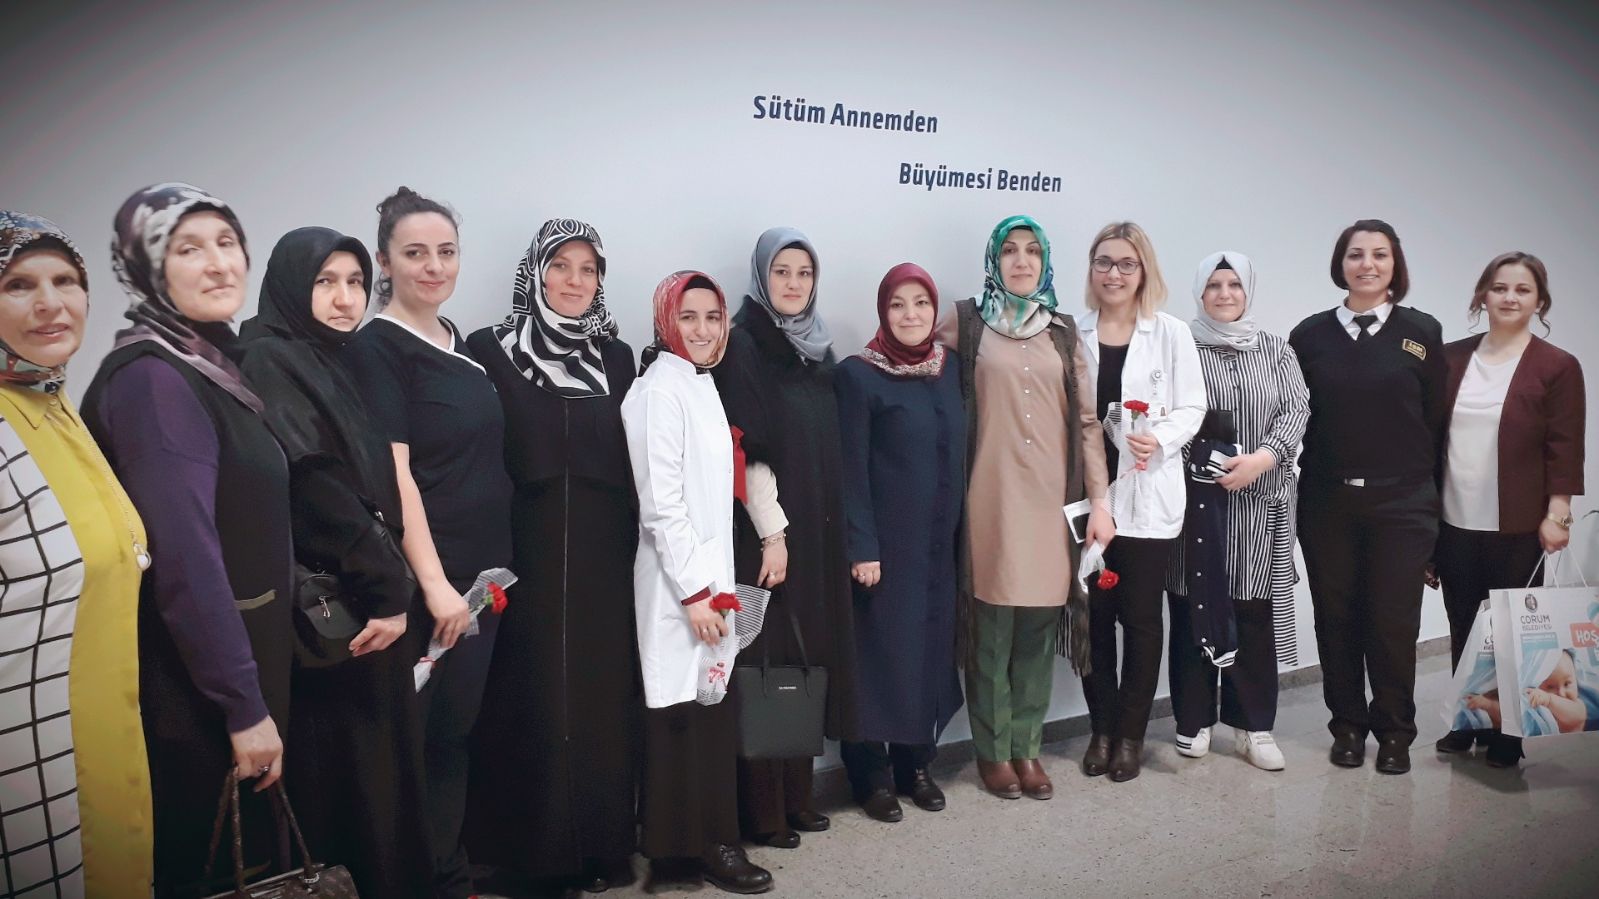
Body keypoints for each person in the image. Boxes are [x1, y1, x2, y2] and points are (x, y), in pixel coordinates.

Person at [80, 183, 293, 896]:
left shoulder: (207, 362)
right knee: (216, 868)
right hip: (198, 693)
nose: (218, 263)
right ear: (146, 267)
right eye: (188, 249)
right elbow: (185, 560)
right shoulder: (153, 381)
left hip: (233, 667)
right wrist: (243, 706)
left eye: (226, 242)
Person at [236, 226, 433, 896]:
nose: (345, 299)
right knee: (354, 784)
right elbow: (317, 485)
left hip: (354, 603)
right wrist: (387, 589)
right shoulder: (271, 357)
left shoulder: (325, 358)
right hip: (337, 614)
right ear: (293, 286)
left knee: (374, 777)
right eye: (325, 282)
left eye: (354, 283)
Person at [342, 186, 513, 899]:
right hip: (431, 585)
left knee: (452, 737)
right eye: (415, 253)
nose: (434, 266)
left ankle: (447, 876)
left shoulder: (460, 346)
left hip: (482, 581)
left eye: (446, 251)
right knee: (413, 745)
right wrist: (437, 586)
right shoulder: (379, 348)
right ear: (385, 262)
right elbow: (397, 476)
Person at [465, 219, 640, 894]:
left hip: (603, 554)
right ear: (535, 273)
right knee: (528, 695)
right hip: (523, 554)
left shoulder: (617, 357)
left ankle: (599, 846)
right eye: (560, 265)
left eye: (587, 269)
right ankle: (527, 856)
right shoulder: (490, 350)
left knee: (598, 699)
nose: (574, 280)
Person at [0, 212, 153, 897]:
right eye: (18, 285)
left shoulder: (56, 406)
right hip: (25, 765)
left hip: (104, 739)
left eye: (65, 281)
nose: (50, 303)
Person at [936, 215, 1113, 800]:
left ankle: (1027, 748)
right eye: (1010, 250)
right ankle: (993, 754)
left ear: (1045, 262)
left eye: (1032, 251)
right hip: (988, 499)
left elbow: (1087, 423)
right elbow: (919, 370)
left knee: (1037, 628)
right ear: (995, 259)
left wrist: (1101, 503)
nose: (1020, 261)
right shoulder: (966, 322)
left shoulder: (1063, 332)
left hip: (1052, 503)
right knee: (989, 629)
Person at [625, 270, 774, 895]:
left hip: (709, 579)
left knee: (707, 710)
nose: (704, 329)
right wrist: (693, 594)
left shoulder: (700, 382)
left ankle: (707, 842)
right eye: (689, 317)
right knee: (680, 717)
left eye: (713, 317)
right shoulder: (657, 391)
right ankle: (688, 851)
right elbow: (662, 507)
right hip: (678, 586)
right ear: (667, 321)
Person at [712, 227, 857, 846]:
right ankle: (762, 810)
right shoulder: (745, 343)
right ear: (761, 277)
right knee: (766, 663)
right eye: (782, 272)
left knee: (806, 657)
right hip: (768, 533)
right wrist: (774, 534)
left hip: (816, 529)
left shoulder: (817, 349)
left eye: (804, 273)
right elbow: (747, 448)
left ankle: (798, 796)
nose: (794, 284)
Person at [1290, 218, 1447, 775]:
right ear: (1341, 264)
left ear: (1394, 265)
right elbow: (1293, 418)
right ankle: (1348, 727)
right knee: (1335, 618)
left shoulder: (1422, 332)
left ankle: (1396, 732)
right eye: (1356, 254)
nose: (1367, 265)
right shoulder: (1309, 336)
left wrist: (1436, 511)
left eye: (1380, 254)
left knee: (1392, 622)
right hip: (1327, 502)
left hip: (1403, 505)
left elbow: (1437, 423)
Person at [1429, 251, 1585, 766]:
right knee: (1464, 625)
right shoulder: (1450, 358)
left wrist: (1558, 514)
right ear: (1483, 295)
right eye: (1499, 288)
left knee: (1512, 632)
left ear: (1539, 300)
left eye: (1522, 289)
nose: (1510, 298)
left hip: (1519, 524)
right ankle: (1466, 719)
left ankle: (1508, 732)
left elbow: (1564, 446)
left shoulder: (1557, 365)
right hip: (1454, 519)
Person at [1164, 251, 1309, 772]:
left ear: (1248, 292)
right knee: (1191, 607)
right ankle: (1194, 719)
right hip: (1195, 504)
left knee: (1251, 612)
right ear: (1199, 292)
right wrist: (1201, 460)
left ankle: (1253, 726)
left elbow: (1297, 408)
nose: (1224, 294)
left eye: (1234, 285)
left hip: (1257, 501)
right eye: (1214, 285)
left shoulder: (1275, 349)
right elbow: (1165, 411)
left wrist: (1263, 458)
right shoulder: (1178, 344)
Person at [834, 263, 965, 822]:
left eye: (921, 303)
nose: (911, 315)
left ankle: (916, 765)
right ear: (883, 311)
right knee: (877, 658)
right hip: (885, 549)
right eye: (898, 304)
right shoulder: (858, 375)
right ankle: (870, 775)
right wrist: (862, 546)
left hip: (938, 547)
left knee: (927, 654)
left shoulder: (949, 369)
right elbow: (849, 469)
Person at [1076, 221, 1205, 782]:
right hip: (1088, 499)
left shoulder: (1169, 333)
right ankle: (1101, 729)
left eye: (1127, 263)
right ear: (1091, 269)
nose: (1114, 273)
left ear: (1144, 271)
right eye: (1104, 262)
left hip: (1148, 498)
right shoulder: (1072, 332)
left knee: (1141, 620)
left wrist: (1163, 437)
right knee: (1094, 620)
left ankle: (1130, 735)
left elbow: (1193, 406)